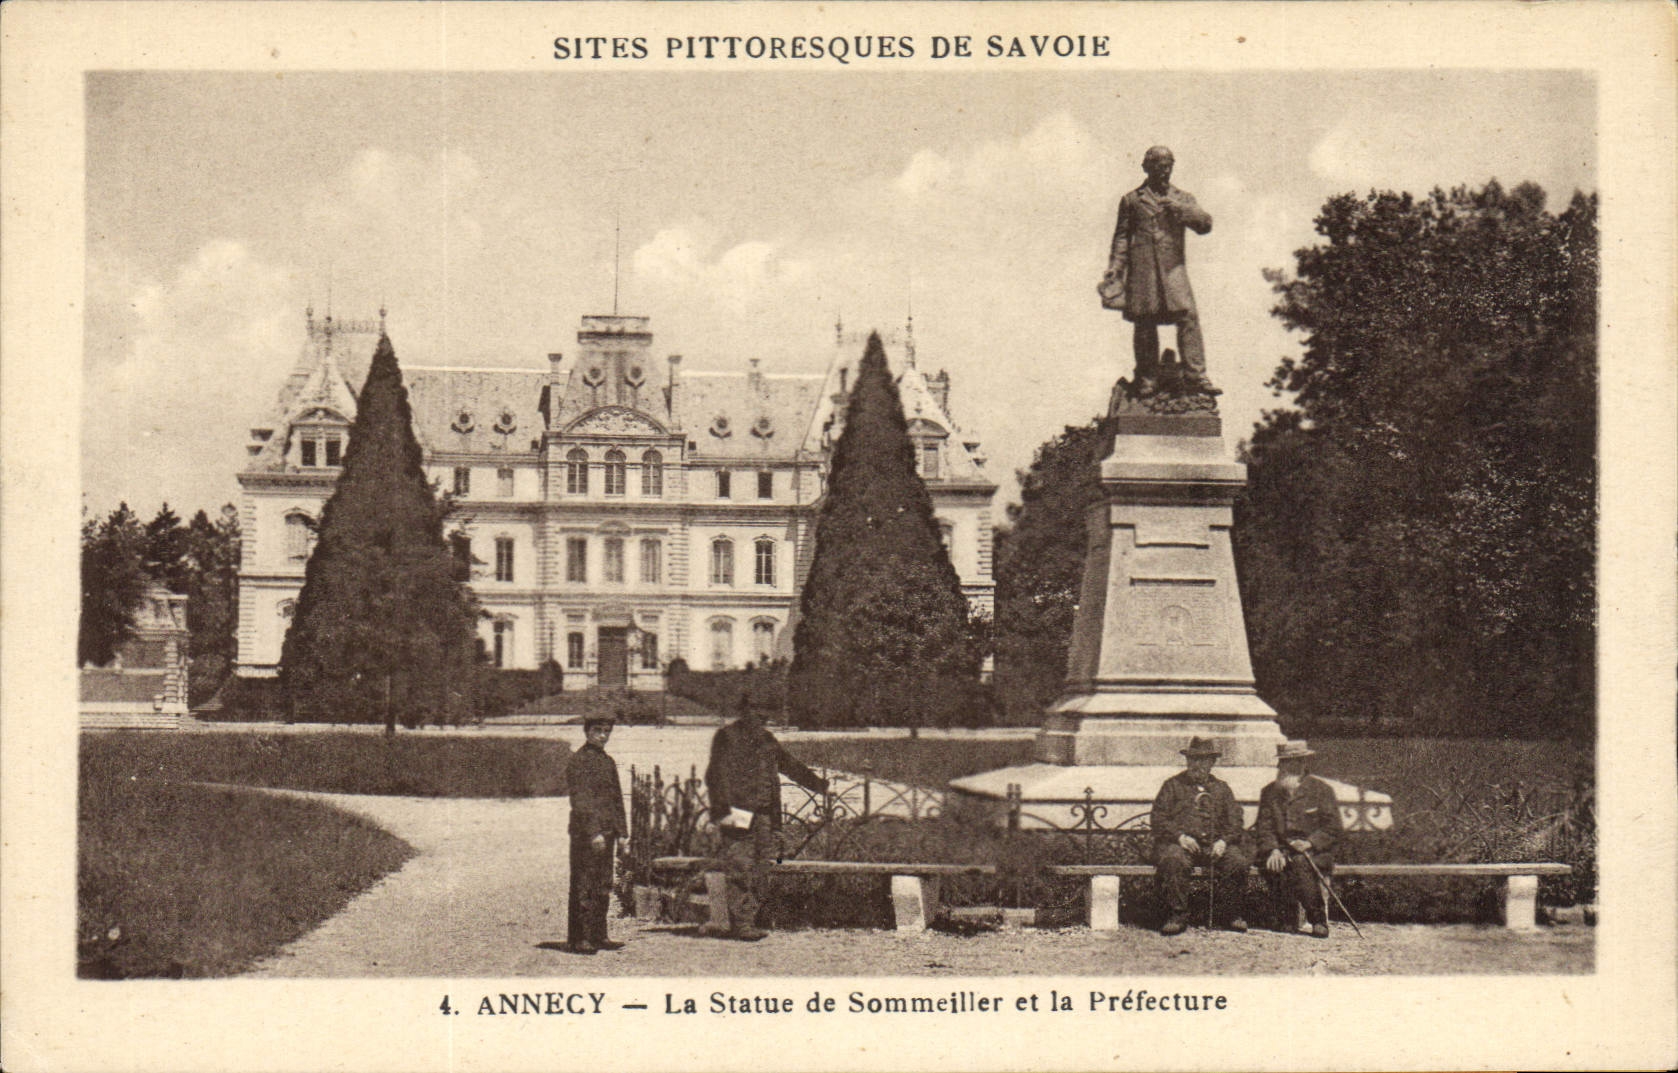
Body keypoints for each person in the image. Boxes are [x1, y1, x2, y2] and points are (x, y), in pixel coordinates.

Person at [702, 698, 828, 941]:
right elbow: (714, 776)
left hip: (764, 815)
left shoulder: (768, 740)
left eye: (764, 714)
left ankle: (748, 918)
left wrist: (819, 785)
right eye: (756, 712)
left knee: (762, 868)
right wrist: (722, 812)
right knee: (740, 868)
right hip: (738, 814)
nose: (761, 718)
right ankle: (742, 924)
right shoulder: (727, 736)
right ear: (744, 711)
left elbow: (790, 765)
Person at [1099, 145, 1219, 399]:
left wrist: (1180, 210)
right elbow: (1122, 237)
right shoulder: (1132, 200)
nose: (1165, 171)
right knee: (1145, 321)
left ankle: (1196, 376)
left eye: (1168, 166)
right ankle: (1147, 378)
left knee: (1188, 315)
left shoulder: (1182, 197)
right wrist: (1115, 269)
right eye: (1159, 166)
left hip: (1173, 269)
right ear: (1147, 167)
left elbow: (1205, 224)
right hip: (1142, 271)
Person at [1150, 736, 1251, 935]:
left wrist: (1223, 841)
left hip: (1215, 846)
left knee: (1237, 862)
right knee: (1174, 860)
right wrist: (1180, 837)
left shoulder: (1222, 789)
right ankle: (1177, 915)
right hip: (1181, 844)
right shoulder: (1172, 786)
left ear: (1212, 763)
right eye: (1194, 759)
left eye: (1204, 760)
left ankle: (1230, 914)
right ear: (1187, 761)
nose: (1198, 765)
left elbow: (1236, 821)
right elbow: (1158, 818)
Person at [1254, 739, 1344, 939]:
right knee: (1275, 864)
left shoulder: (1321, 790)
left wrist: (1310, 842)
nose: (1289, 767)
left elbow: (1333, 827)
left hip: (1314, 851)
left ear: (1304, 763)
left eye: (1295, 762)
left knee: (1301, 864)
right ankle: (1287, 916)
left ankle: (1318, 919)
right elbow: (1264, 826)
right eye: (1285, 763)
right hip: (1281, 849)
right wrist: (1272, 849)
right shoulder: (1270, 792)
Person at [566, 714, 626, 955]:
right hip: (587, 834)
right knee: (584, 884)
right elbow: (581, 801)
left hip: (608, 832)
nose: (603, 735)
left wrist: (622, 832)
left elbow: (616, 799)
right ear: (587, 732)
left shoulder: (607, 761)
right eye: (598, 730)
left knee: (603, 884)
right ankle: (580, 938)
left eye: (607, 731)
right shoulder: (579, 761)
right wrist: (594, 832)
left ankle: (599, 935)